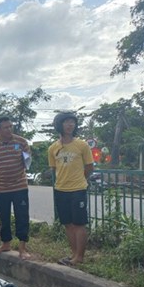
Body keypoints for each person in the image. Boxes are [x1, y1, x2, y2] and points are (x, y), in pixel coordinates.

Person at [0, 115, 32, 260]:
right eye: (6, 127)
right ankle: (6, 244)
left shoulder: (21, 142)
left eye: (11, 126)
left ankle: (22, 248)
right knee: (4, 217)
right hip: (1, 188)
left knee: (22, 216)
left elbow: (28, 159)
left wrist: (21, 168)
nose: (9, 129)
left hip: (20, 186)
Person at [48, 112, 94, 266]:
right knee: (68, 223)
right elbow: (54, 169)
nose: (70, 125)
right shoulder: (53, 148)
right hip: (61, 189)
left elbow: (89, 167)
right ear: (59, 125)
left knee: (79, 223)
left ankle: (79, 257)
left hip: (78, 189)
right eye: (66, 122)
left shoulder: (82, 145)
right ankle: (73, 254)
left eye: (72, 122)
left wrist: (81, 179)